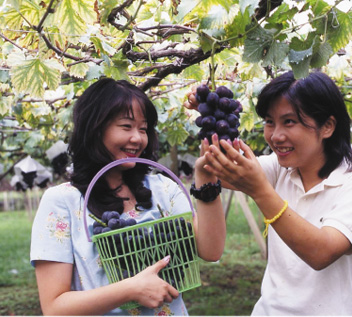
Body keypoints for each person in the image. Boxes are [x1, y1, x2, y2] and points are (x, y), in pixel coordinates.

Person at [188, 71, 352, 315]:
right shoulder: (279, 169)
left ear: (327, 126)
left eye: (289, 122)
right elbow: (220, 164)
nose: (276, 136)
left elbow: (321, 253)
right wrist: (210, 114)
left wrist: (261, 192)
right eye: (270, 122)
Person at [30, 78, 226, 315]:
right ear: (94, 128)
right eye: (126, 126)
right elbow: (54, 308)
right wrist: (129, 290)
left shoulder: (163, 189)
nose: (137, 138)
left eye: (143, 129)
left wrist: (206, 180)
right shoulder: (62, 202)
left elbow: (211, 250)